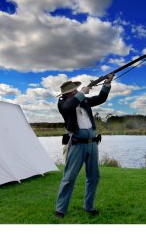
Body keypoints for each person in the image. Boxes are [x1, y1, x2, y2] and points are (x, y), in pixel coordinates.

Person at [54, 74, 114, 218]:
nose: (76, 90)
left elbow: (100, 99)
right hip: (76, 144)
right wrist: (82, 93)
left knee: (93, 177)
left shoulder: (84, 101)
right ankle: (60, 210)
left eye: (76, 89)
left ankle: (89, 207)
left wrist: (106, 84)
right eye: (74, 90)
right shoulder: (63, 104)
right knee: (69, 178)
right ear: (68, 93)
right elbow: (70, 106)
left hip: (92, 143)